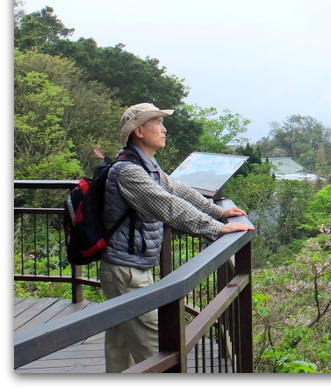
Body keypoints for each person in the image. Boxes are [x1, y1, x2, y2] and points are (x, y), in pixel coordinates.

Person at [99, 102, 255, 372]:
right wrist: (214, 227)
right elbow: (167, 205)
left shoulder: (146, 165)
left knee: (120, 341)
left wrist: (217, 212)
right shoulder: (129, 171)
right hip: (126, 271)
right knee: (157, 350)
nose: (164, 128)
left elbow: (179, 190)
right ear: (139, 131)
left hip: (127, 267)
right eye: (157, 123)